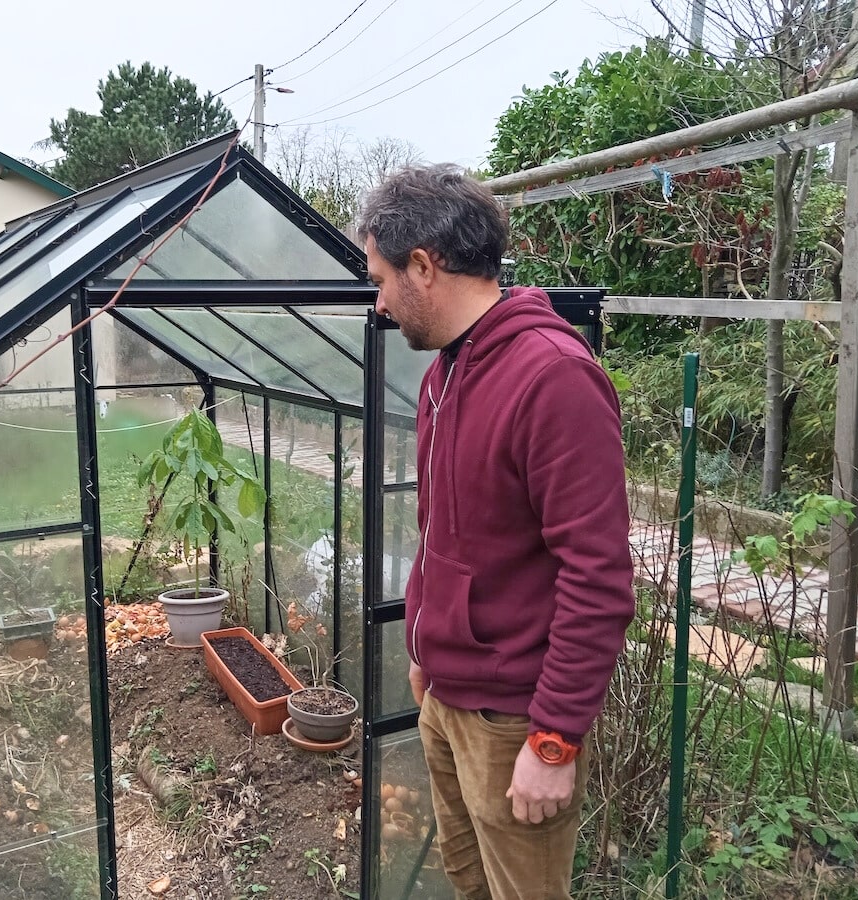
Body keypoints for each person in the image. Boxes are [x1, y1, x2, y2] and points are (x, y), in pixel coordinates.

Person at [357, 165, 635, 900]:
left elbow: (598, 577)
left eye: (380, 278)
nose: (379, 303)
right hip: (447, 696)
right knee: (467, 881)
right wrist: (423, 644)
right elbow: (443, 531)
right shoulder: (441, 376)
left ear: (425, 265)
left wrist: (554, 739)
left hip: (516, 718)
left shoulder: (553, 378)